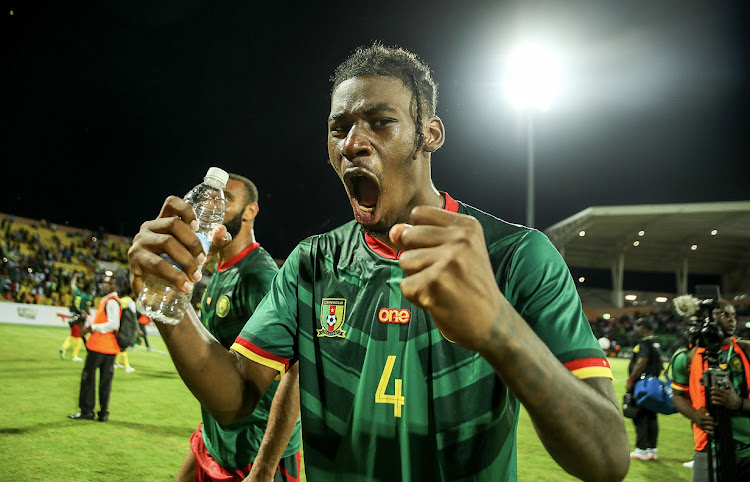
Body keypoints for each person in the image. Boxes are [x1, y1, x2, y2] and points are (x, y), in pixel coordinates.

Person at [128, 44, 629, 481]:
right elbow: (235, 398)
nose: (352, 143)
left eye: (381, 122)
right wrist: (173, 306)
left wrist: (499, 326)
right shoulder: (313, 262)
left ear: (429, 135)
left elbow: (606, 458)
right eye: (338, 128)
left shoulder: (516, 255)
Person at [174, 173, 302, 482]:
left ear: (250, 211)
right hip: (215, 433)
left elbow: (297, 372)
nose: (216, 206)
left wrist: (265, 467)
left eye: (226, 199)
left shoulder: (260, 277)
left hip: (252, 447)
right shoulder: (220, 268)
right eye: (212, 199)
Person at [671, 299, 750, 481]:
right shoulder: (685, 357)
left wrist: (738, 403)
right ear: (706, 317)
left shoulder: (746, 351)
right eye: (724, 314)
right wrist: (695, 415)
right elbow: (677, 396)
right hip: (708, 448)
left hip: (747, 450)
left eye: (733, 315)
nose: (731, 319)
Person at [68, 274, 121, 422]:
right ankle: (103, 413)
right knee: (105, 382)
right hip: (109, 349)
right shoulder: (108, 301)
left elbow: (113, 324)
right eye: (104, 283)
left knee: (88, 379)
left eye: (108, 283)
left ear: (114, 287)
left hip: (99, 347)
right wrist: (87, 319)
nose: (104, 286)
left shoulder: (111, 301)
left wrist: (92, 328)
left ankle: (87, 411)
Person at [626, 317, 663, 461]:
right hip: (653, 384)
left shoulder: (645, 344)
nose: (636, 329)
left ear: (644, 328)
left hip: (642, 384)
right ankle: (651, 449)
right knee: (651, 416)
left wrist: (631, 380)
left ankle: (641, 450)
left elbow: (641, 363)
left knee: (639, 415)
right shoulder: (655, 343)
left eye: (638, 326)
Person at [60, 273, 92, 362]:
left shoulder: (78, 293)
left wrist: (74, 277)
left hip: (73, 316)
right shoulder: (88, 297)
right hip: (81, 319)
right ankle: (74, 355)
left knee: (73, 335)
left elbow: (72, 285)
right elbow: (88, 308)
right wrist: (90, 317)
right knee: (78, 338)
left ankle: (64, 347)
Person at [114, 289, 137, 374]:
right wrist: (137, 328)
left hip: (117, 323)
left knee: (119, 345)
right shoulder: (130, 302)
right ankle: (127, 366)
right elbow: (133, 316)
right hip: (125, 326)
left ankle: (115, 363)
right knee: (123, 346)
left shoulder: (121, 300)